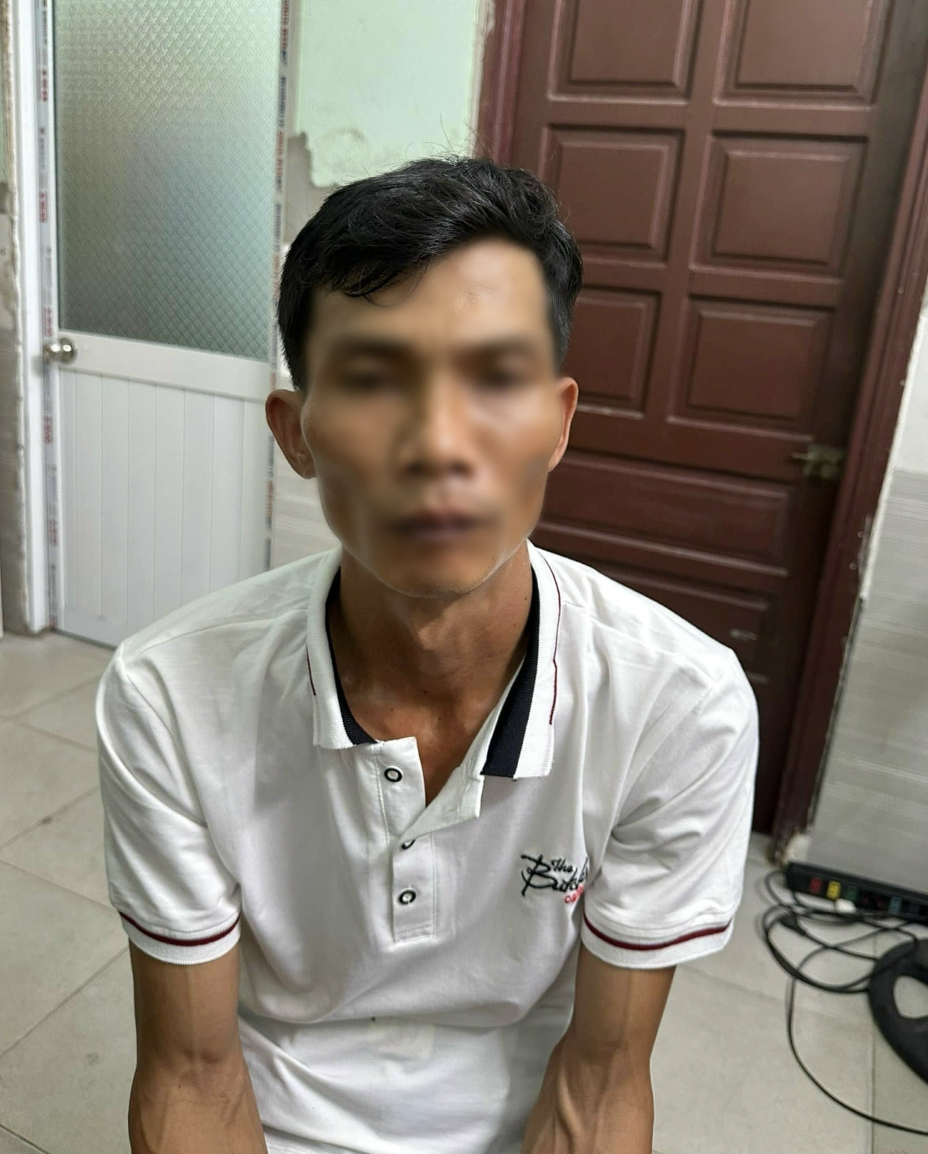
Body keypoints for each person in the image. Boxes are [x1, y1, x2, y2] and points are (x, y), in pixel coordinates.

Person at [96, 154, 759, 1154]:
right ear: (296, 433)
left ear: (556, 424)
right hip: (274, 1111)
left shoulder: (680, 705)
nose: (439, 445)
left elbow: (598, 1082)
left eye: (496, 379)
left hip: (521, 1112)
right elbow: (191, 1074)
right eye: (372, 380)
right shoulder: (169, 696)